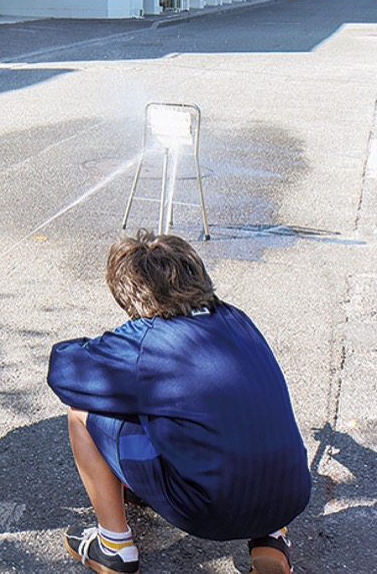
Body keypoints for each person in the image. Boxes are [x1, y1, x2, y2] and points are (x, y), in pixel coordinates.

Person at [47, 231, 311, 574]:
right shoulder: (238, 319)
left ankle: (113, 547)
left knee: (82, 412)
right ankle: (270, 537)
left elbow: (63, 369)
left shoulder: (146, 341)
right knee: (241, 418)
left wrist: (112, 343)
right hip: (290, 496)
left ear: (130, 295)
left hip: (210, 509)